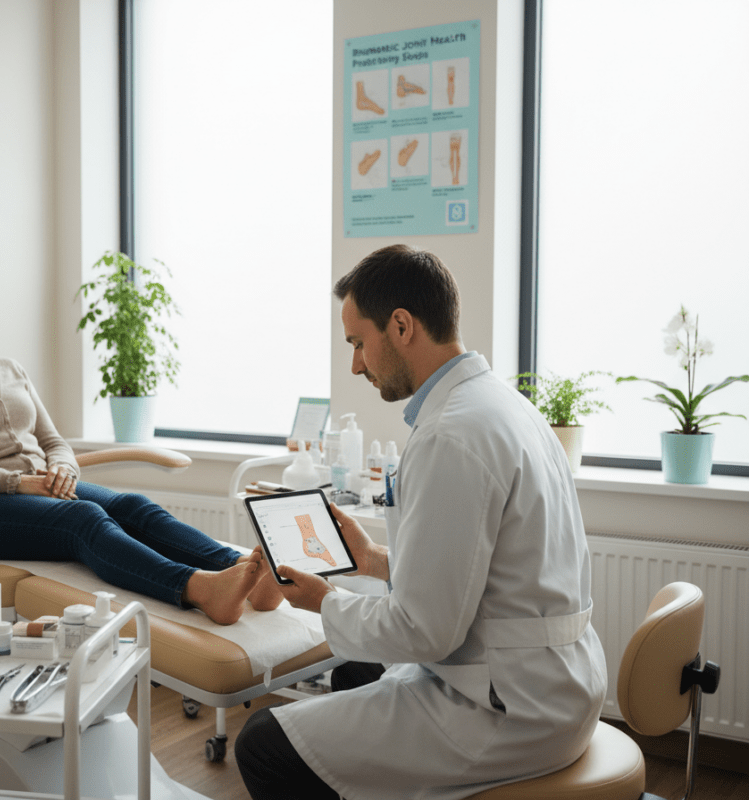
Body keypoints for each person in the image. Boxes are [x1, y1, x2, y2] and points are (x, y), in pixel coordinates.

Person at [235, 244, 607, 799]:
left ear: (402, 325)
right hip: (557, 680)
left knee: (262, 743)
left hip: (509, 707)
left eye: (359, 343)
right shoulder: (503, 406)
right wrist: (374, 562)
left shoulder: (450, 436)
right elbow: (491, 574)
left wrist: (323, 601)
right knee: (355, 673)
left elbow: (427, 632)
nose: (357, 364)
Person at [0, 250, 282, 626]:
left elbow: (53, 439)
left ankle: (243, 569)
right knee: (83, 519)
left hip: (39, 489)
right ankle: (196, 589)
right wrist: (18, 482)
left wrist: (61, 468)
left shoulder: (8, 368)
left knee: (133, 505)